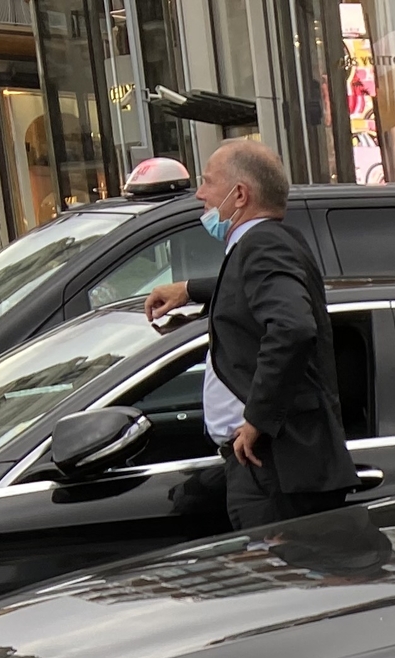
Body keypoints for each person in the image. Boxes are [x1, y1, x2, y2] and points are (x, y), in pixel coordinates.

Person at [141, 140, 355, 529]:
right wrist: (189, 290)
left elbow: (292, 326)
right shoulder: (267, 242)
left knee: (277, 585)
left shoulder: (263, 244)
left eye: (207, 182)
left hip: (272, 466)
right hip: (270, 467)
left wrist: (258, 418)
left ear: (239, 194)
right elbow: (251, 291)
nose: (200, 194)